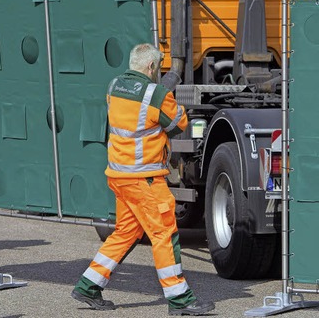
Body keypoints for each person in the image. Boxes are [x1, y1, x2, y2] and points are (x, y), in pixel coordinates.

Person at [72, 43, 215, 316]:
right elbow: (177, 124)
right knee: (164, 233)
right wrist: (167, 92)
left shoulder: (114, 86)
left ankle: (89, 284)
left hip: (119, 175)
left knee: (127, 232)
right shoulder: (156, 94)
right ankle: (180, 299)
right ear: (151, 68)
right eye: (157, 69)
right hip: (145, 179)